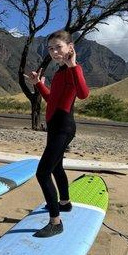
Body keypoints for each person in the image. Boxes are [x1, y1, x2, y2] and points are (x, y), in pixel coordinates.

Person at [26, 30, 89, 238]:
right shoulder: (60, 73)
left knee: (42, 172)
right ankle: (65, 203)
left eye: (58, 47)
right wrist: (39, 85)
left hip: (64, 127)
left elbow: (83, 94)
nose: (54, 52)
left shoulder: (71, 69)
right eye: (51, 48)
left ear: (70, 48)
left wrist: (74, 66)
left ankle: (55, 222)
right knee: (56, 167)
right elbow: (53, 100)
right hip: (54, 127)